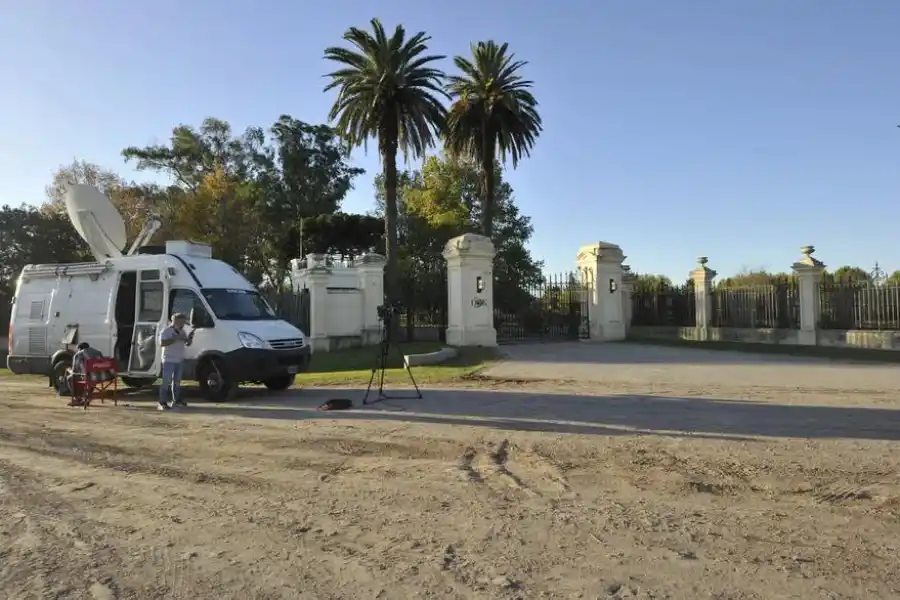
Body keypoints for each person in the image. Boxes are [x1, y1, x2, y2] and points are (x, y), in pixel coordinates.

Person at [157, 312, 194, 411]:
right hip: (168, 359)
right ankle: (162, 402)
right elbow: (162, 343)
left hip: (179, 359)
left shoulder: (183, 331)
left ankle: (176, 401)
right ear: (175, 320)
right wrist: (175, 338)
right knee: (166, 381)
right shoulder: (166, 331)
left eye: (184, 321)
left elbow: (187, 343)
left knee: (177, 382)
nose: (183, 323)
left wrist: (189, 339)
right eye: (182, 321)